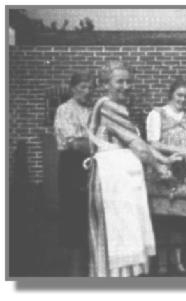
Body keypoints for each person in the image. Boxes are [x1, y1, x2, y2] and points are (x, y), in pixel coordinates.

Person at [87, 61, 178, 277]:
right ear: (106, 85)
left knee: (124, 233)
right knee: (117, 233)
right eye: (119, 81)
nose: (126, 86)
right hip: (112, 184)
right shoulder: (108, 106)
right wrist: (159, 168)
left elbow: (136, 140)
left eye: (129, 82)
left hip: (120, 183)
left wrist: (163, 160)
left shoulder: (115, 107)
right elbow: (137, 146)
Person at [146, 79, 186, 274]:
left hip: (182, 172)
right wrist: (176, 151)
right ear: (171, 94)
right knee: (162, 216)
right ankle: (161, 262)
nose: (182, 99)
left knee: (180, 216)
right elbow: (152, 142)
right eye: (179, 95)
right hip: (161, 170)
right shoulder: (157, 114)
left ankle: (177, 260)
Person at [54, 71, 93, 276]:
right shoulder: (64, 109)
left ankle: (89, 262)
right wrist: (97, 144)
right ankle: (74, 269)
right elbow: (74, 143)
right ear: (73, 88)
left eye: (90, 88)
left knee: (89, 211)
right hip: (71, 165)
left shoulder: (92, 110)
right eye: (82, 87)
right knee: (73, 212)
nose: (87, 92)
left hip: (91, 163)